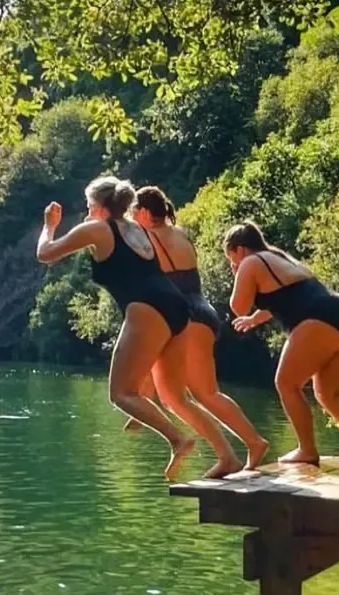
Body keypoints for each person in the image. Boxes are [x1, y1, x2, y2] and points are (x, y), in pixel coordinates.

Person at [37, 175, 243, 478]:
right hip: (178, 308)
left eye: (88, 204)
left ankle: (178, 439)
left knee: (120, 394)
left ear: (97, 205)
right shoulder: (136, 229)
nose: (87, 209)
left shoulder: (97, 227)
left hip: (146, 308)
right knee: (175, 396)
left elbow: (45, 254)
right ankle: (228, 457)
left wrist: (49, 225)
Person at [132, 186, 269, 474]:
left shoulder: (147, 238)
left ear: (144, 212)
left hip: (179, 316)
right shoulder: (180, 234)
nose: (132, 218)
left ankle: (226, 456)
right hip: (203, 312)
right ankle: (253, 442)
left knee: (172, 398)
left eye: (134, 212)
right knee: (208, 393)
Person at [224, 221, 339, 469]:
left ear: (239, 249)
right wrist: (255, 320)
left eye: (231, 257)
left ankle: (307, 450)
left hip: (319, 318)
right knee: (327, 394)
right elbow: (282, 297)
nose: (233, 263)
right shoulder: (279, 257)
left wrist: (238, 273)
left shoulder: (250, 262)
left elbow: (238, 306)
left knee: (286, 383)